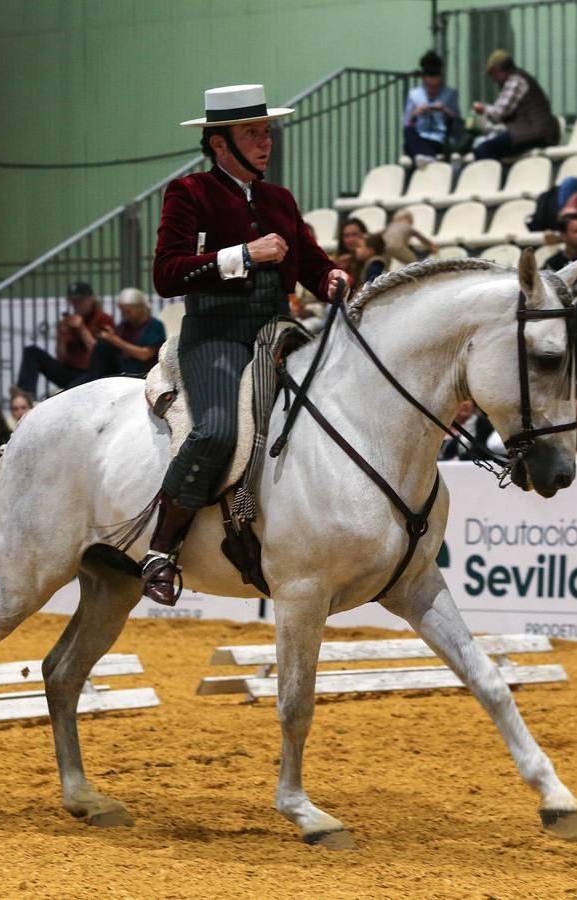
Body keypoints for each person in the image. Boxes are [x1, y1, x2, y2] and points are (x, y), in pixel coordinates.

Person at [142, 84, 350, 605]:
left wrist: (332, 281)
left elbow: (311, 263)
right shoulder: (189, 193)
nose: (265, 142)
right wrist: (242, 255)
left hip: (278, 332)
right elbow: (167, 275)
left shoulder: (281, 200)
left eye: (266, 132)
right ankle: (160, 551)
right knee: (214, 432)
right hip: (215, 336)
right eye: (252, 133)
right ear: (219, 144)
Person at [15, 282, 115, 396]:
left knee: (69, 390)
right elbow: (61, 357)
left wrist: (82, 329)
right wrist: (62, 335)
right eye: (74, 301)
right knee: (31, 351)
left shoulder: (104, 318)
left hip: (92, 373)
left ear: (90, 299)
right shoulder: (69, 322)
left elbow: (99, 354)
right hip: (69, 371)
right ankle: (24, 397)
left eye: (80, 301)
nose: (77, 305)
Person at [469, 50, 560, 161]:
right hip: (533, 131)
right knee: (487, 147)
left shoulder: (515, 81)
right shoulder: (518, 78)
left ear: (498, 69)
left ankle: (499, 178)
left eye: (491, 73)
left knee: (484, 150)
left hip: (536, 132)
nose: (493, 79)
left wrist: (483, 108)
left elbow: (499, 113)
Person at [75, 288, 167, 384]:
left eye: (128, 312)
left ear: (140, 307)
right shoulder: (125, 326)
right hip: (120, 368)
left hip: (140, 372)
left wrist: (113, 339)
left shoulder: (154, 325)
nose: (125, 315)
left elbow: (144, 355)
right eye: (123, 312)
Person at [400, 50, 458, 168]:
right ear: (424, 79)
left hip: (439, 139)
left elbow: (457, 120)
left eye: (436, 87)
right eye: (429, 87)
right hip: (419, 136)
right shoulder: (414, 94)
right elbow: (406, 122)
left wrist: (445, 110)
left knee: (415, 150)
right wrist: (415, 114)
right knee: (408, 133)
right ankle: (428, 157)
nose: (433, 91)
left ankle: (427, 157)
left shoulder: (450, 94)